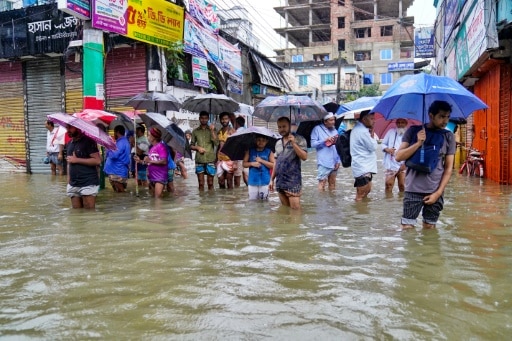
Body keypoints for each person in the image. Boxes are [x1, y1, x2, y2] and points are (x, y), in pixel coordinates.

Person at [395, 100, 456, 230]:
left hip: (435, 190)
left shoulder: (448, 136)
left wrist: (438, 193)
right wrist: (417, 143)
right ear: (431, 115)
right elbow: (398, 156)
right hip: (413, 189)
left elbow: (448, 168)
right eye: (441, 116)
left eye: (447, 117)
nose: (445, 121)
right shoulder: (413, 131)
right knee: (407, 227)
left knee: (429, 228)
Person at [270, 116, 308, 210]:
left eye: (284, 126)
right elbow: (276, 162)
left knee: (296, 211)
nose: (282, 129)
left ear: (290, 126)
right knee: (285, 211)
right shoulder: (278, 143)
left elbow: (304, 157)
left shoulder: (299, 139)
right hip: (280, 181)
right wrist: (271, 179)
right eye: (279, 127)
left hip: (293, 181)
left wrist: (294, 143)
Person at [65, 125, 101, 209]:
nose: (68, 130)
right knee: (77, 214)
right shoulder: (69, 143)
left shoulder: (88, 141)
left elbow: (97, 160)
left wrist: (77, 160)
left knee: (89, 213)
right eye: (67, 128)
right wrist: (68, 180)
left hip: (88, 182)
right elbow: (69, 162)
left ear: (78, 127)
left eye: (70, 128)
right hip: (74, 183)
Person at [350, 110, 378, 201]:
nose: (374, 121)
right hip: (362, 167)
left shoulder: (361, 129)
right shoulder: (362, 132)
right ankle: (359, 212)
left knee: (367, 190)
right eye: (371, 119)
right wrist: (372, 133)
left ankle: (362, 212)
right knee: (361, 194)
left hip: (364, 166)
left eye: (374, 119)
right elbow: (373, 147)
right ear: (364, 119)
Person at [311, 112, 341, 191]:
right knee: (322, 182)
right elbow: (313, 144)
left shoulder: (335, 130)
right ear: (325, 121)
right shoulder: (317, 129)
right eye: (331, 120)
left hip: (335, 160)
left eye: (334, 120)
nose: (333, 122)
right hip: (324, 161)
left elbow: (338, 146)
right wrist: (324, 141)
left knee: (332, 182)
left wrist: (338, 160)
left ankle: (331, 201)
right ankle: (321, 202)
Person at [190, 111, 218, 190]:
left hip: (210, 159)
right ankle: (202, 201)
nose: (204, 120)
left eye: (206, 118)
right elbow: (191, 146)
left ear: (208, 119)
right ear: (199, 119)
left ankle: (209, 202)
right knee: (201, 184)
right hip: (199, 159)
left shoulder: (213, 129)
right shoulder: (195, 131)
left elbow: (216, 143)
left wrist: (212, 131)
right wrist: (198, 148)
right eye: (202, 118)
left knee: (210, 183)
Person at [243, 134, 275, 200]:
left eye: (263, 140)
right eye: (259, 140)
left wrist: (262, 161)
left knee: (264, 203)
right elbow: (244, 164)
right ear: (255, 140)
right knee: (252, 203)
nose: (261, 142)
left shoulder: (269, 151)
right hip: (252, 181)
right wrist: (252, 163)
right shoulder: (250, 151)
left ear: (267, 141)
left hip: (265, 181)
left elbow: (273, 165)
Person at [138, 127, 168, 198]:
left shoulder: (161, 146)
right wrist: (140, 161)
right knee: (154, 198)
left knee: (157, 198)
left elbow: (164, 161)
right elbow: (149, 162)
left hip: (159, 177)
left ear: (154, 137)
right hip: (152, 177)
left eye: (148, 135)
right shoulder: (151, 148)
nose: (147, 137)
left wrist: (150, 160)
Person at [381, 118, 408, 193]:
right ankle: (388, 202)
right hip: (391, 163)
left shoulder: (410, 134)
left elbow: (412, 150)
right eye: (398, 122)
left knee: (403, 186)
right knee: (388, 185)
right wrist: (388, 149)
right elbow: (383, 144)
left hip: (404, 164)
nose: (400, 124)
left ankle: (402, 203)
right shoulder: (391, 132)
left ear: (406, 123)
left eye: (402, 122)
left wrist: (406, 163)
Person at [103, 125, 131, 192]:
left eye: (114, 132)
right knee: (119, 193)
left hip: (117, 172)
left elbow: (114, 155)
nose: (114, 134)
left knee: (120, 192)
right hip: (118, 170)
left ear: (117, 132)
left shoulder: (121, 142)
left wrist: (108, 148)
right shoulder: (122, 142)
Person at [216, 112, 236, 189]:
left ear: (229, 120)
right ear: (220, 120)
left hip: (230, 159)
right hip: (220, 158)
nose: (224, 121)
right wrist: (216, 160)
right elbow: (218, 147)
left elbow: (236, 147)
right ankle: (223, 200)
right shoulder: (219, 132)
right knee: (220, 181)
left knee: (229, 181)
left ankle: (229, 200)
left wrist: (235, 162)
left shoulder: (232, 131)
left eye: (226, 119)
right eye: (222, 119)